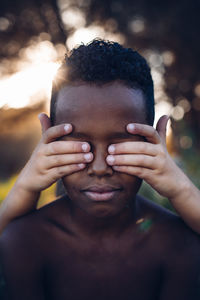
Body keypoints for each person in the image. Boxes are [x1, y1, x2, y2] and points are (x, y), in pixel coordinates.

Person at [0, 39, 200, 300]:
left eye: (120, 144)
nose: (99, 168)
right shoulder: (24, 241)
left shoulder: (179, 244)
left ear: (156, 139)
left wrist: (181, 189)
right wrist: (25, 187)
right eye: (81, 144)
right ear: (49, 136)